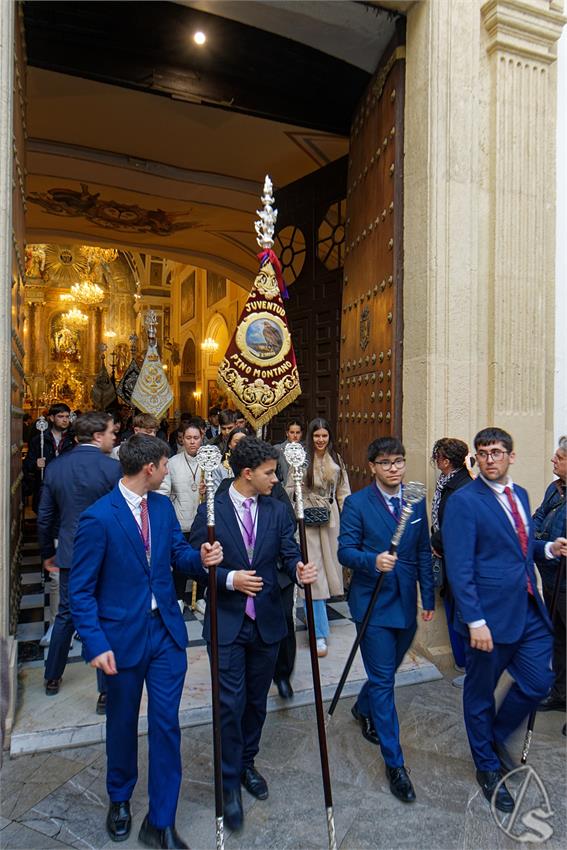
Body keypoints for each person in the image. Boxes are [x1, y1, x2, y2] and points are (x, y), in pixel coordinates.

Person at [69, 435, 223, 849]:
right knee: (121, 723)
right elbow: (80, 591)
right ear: (150, 468)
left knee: (166, 725)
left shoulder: (161, 506)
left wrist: (202, 558)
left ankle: (161, 820)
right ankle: (119, 797)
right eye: (164, 464)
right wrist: (96, 642)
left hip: (166, 634)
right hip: (119, 639)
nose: (167, 469)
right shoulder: (98, 518)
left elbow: (178, 556)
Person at [189, 437, 317, 832]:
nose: (275, 478)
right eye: (269, 473)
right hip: (227, 623)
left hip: (266, 622)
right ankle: (228, 785)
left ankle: (246, 762)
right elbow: (194, 561)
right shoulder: (210, 509)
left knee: (256, 702)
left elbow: (288, 551)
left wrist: (297, 569)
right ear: (247, 473)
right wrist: (227, 577)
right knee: (230, 703)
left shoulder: (278, 510)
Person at [443, 427, 567, 812]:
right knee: (480, 693)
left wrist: (548, 547)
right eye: (482, 453)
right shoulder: (464, 502)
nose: (489, 459)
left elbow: (520, 545)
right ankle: (487, 765)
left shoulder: (522, 494)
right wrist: (474, 620)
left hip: (527, 607)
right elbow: (459, 567)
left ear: (511, 456)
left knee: (537, 681)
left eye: (496, 452)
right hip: (488, 616)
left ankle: (493, 735)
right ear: (476, 459)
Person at [338, 436, 434, 804]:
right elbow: (345, 551)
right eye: (386, 462)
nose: (394, 468)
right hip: (372, 604)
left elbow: (423, 551)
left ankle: (362, 708)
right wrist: (372, 560)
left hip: (406, 603)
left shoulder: (415, 499)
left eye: (399, 461)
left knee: (386, 672)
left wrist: (427, 594)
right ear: (373, 466)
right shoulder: (357, 504)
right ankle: (395, 764)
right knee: (383, 682)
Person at [37, 412, 120, 710]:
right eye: (112, 432)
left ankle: (51, 676)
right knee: (105, 615)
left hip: (71, 553)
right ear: (97, 436)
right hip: (108, 553)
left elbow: (45, 517)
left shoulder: (57, 467)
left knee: (67, 615)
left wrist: (48, 552)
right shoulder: (113, 470)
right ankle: (106, 692)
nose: (115, 437)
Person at [286, 417, 350, 658]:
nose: (321, 440)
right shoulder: (300, 460)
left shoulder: (338, 460)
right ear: (309, 437)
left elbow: (344, 493)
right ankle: (318, 633)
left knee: (330, 571)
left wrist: (351, 522)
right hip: (307, 524)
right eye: (316, 436)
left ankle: (319, 625)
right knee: (313, 576)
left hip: (331, 521)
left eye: (324, 435)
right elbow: (289, 490)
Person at [430, 438, 473, 687]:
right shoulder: (447, 482)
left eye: (437, 456)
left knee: (462, 611)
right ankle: (461, 661)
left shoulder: (462, 487)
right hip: (446, 555)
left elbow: (455, 524)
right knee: (450, 604)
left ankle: (469, 666)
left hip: (457, 558)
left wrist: (437, 543)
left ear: (446, 461)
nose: (435, 460)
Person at [533, 435, 566, 713]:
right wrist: (538, 542)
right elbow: (537, 517)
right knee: (558, 638)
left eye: (560, 457)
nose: (553, 460)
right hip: (552, 579)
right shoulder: (555, 489)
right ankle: (560, 693)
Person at [158, 420, 206, 611]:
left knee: (203, 559)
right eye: (188, 438)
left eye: (196, 438)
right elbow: (164, 492)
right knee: (179, 561)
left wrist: (209, 489)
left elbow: (221, 489)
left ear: (202, 438)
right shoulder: (172, 462)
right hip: (181, 519)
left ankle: (201, 597)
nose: (192, 442)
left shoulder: (209, 461)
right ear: (182, 440)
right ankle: (178, 596)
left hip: (202, 521)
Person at [24, 402, 74, 512]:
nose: (65, 420)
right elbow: (27, 465)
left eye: (67, 416)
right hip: (45, 489)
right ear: (51, 418)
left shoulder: (73, 440)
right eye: (60, 416)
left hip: (67, 491)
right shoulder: (39, 440)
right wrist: (36, 465)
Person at [211, 426, 248, 492]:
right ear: (229, 444)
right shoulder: (220, 468)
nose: (240, 445)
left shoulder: (254, 467)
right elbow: (216, 494)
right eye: (236, 442)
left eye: (244, 442)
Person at [274, 418, 303, 484]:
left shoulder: (305, 450)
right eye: (292, 432)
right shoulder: (277, 449)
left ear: (301, 434)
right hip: (283, 489)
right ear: (287, 433)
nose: (295, 435)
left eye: (298, 432)